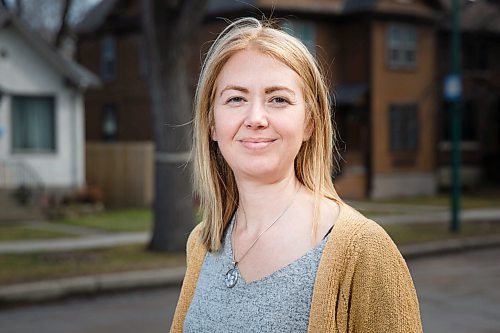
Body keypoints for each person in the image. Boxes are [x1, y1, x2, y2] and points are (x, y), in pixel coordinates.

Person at [170, 17, 422, 332]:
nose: (256, 118)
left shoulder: (364, 250)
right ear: (211, 123)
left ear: (309, 122)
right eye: (236, 98)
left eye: (278, 99)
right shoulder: (203, 244)